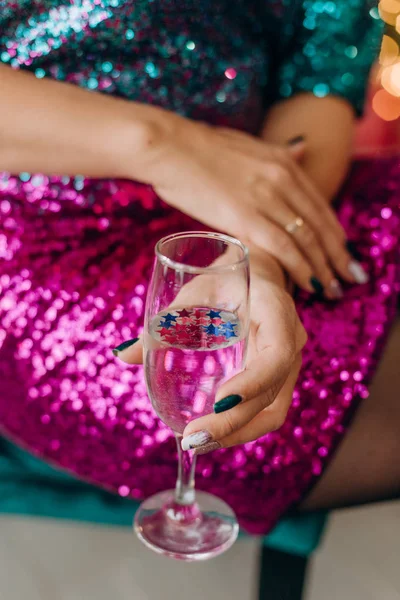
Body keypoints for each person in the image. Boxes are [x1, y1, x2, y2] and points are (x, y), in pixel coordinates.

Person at [0, 0, 398, 535]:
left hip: (265, 192)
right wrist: (163, 146)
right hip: (51, 244)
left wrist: (254, 251)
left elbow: (320, 79)